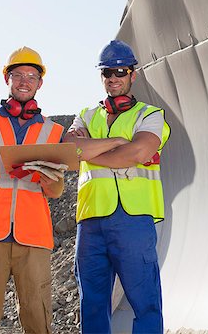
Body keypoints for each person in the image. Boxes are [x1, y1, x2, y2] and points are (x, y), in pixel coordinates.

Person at [0, 46, 66, 334]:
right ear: (7, 78)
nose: (24, 81)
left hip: (34, 236)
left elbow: (55, 191)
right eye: (18, 75)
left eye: (32, 76)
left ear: (40, 84)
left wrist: (44, 176)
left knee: (37, 314)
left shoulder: (53, 133)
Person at [65, 39, 171, 334]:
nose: (113, 79)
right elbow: (70, 150)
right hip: (91, 221)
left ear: (132, 74)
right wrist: (115, 143)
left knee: (145, 301)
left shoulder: (149, 115)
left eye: (120, 72)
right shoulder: (86, 115)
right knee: (93, 302)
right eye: (107, 73)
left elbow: (138, 153)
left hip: (133, 219)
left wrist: (91, 152)